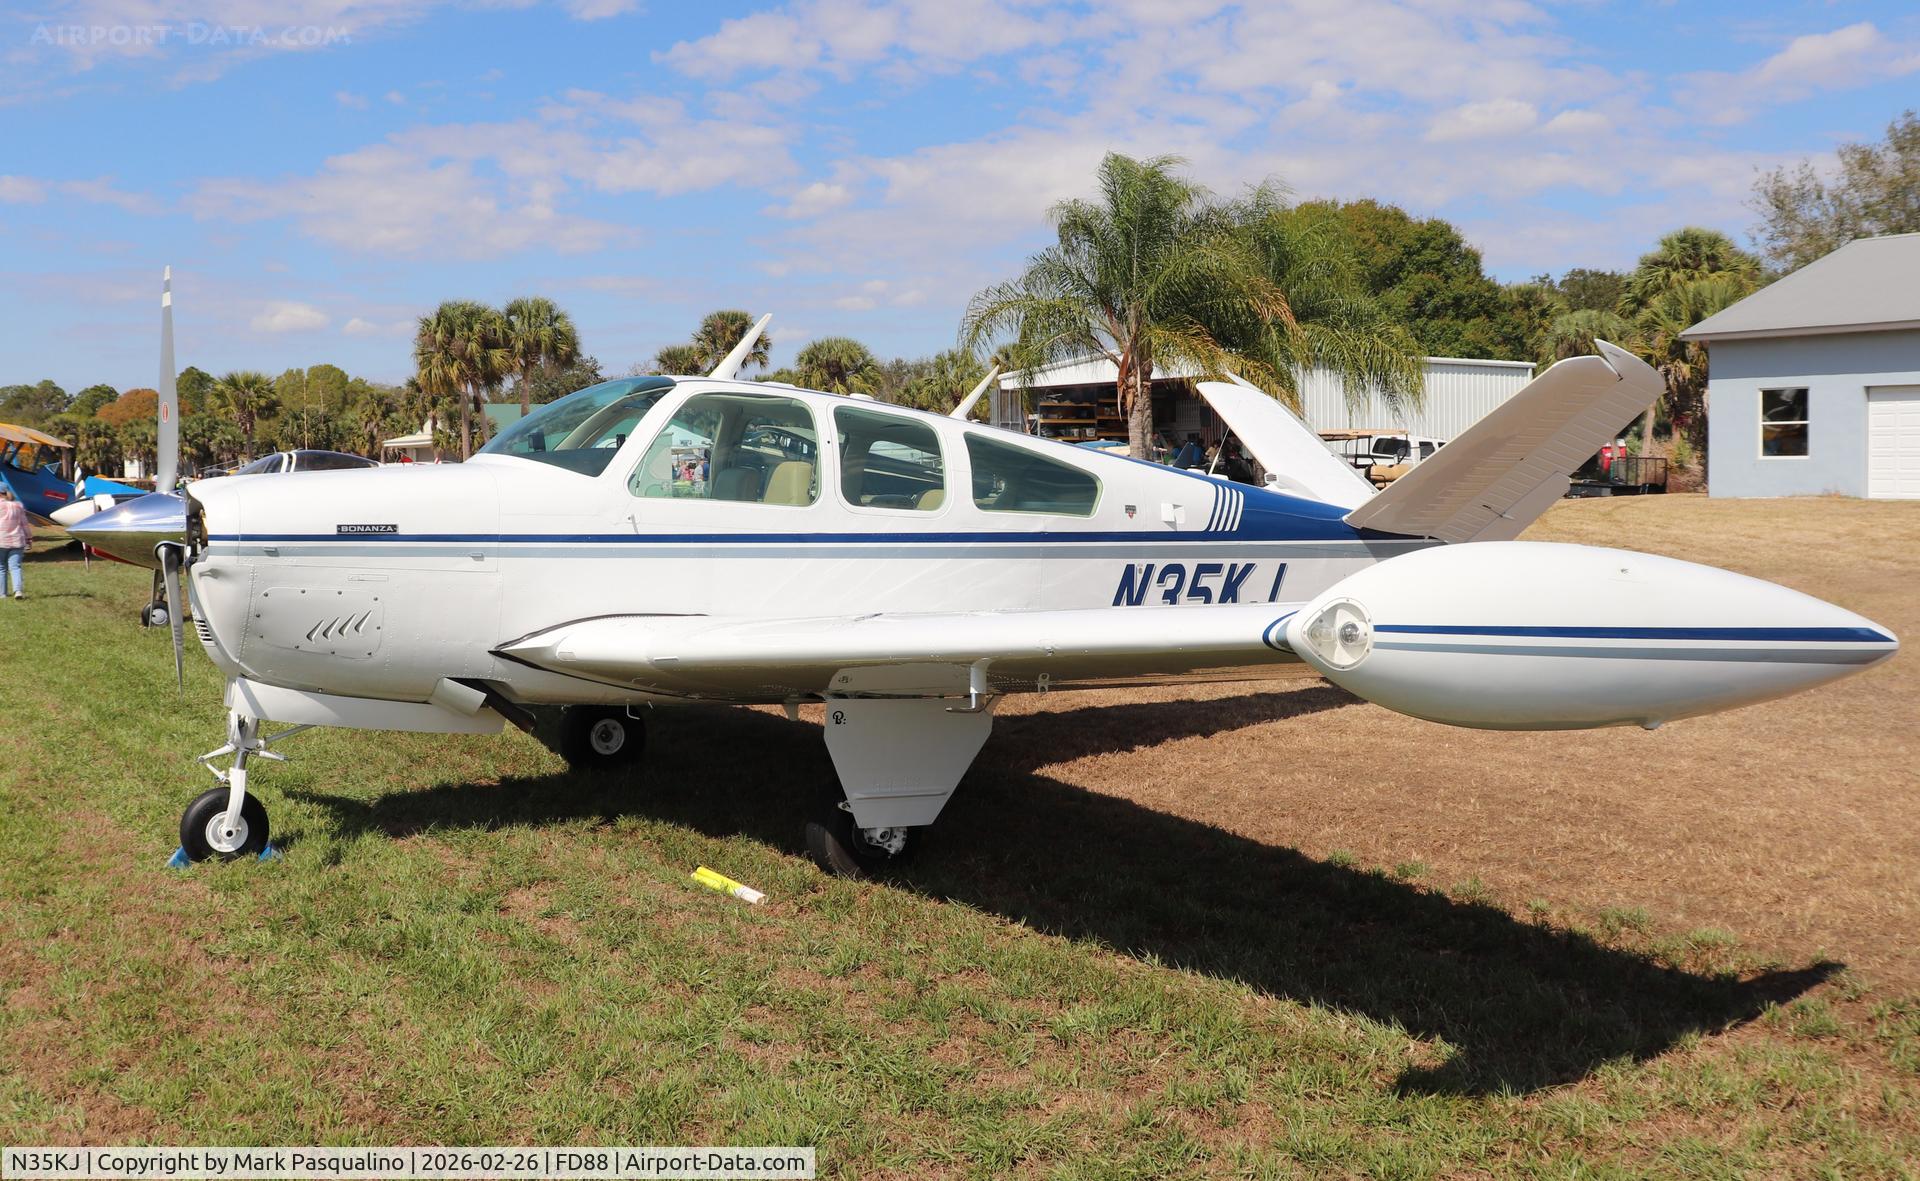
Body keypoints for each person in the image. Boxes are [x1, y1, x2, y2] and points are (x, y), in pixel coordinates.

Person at [0, 485, 29, 601]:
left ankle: (2, 594)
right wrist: (29, 538)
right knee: (15, 567)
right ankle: (18, 591)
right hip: (17, 540)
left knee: (1, 568)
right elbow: (25, 524)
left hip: (1, 541)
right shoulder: (18, 505)